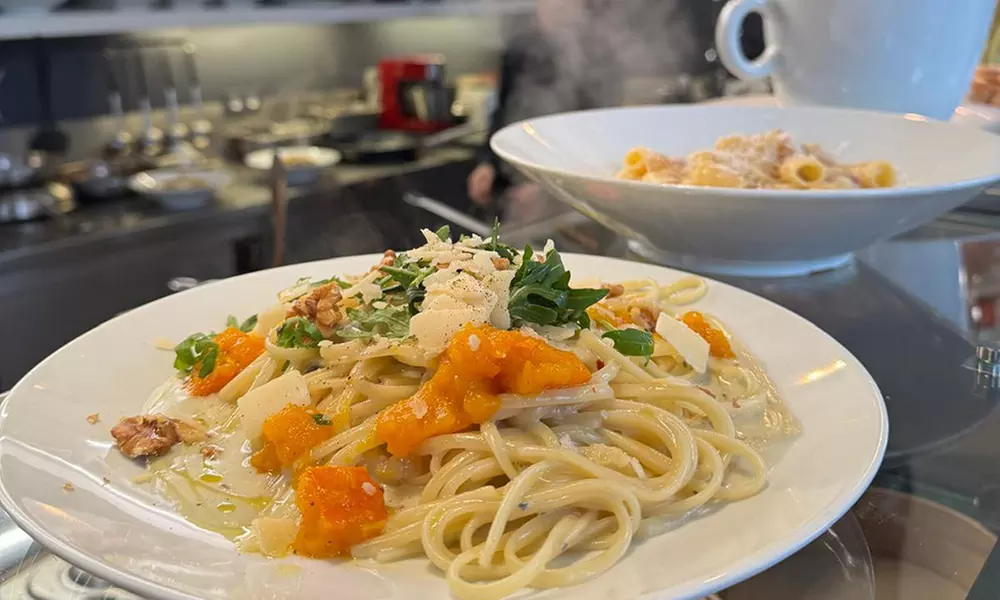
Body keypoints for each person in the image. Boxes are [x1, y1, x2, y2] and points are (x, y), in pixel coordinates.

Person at [467, 0, 622, 211]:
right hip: (511, 189)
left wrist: (548, 188)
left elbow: (602, 140)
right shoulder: (519, 48)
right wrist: (487, 162)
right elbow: (501, 113)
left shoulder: (599, 57)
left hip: (570, 198)